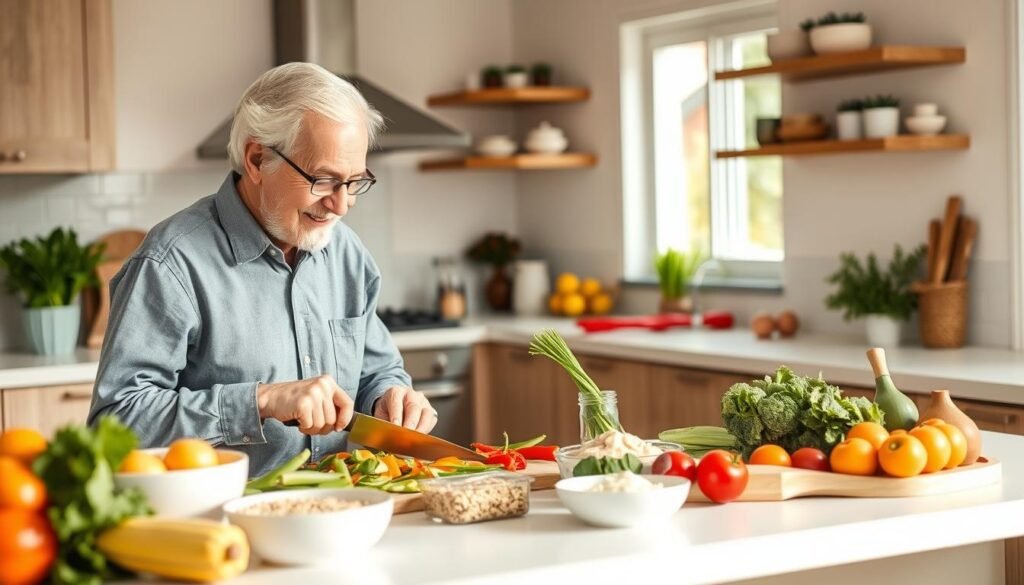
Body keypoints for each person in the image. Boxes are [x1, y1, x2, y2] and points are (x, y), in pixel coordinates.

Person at [88, 63, 435, 476]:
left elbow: (376, 370)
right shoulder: (170, 264)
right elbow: (115, 426)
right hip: (221, 527)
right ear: (257, 159)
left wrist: (392, 396)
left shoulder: (346, 253)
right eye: (323, 180)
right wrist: (261, 402)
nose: (341, 206)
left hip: (338, 512)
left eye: (354, 181)